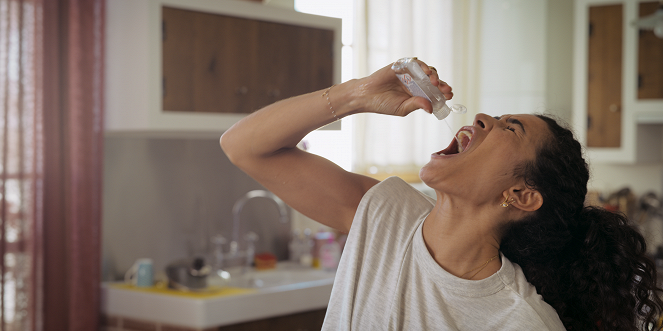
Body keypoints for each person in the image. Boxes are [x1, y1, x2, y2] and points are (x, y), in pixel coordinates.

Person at [220, 59, 663, 330]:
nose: (485, 116)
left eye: (511, 127)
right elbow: (244, 146)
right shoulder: (387, 214)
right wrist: (358, 95)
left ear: (521, 195)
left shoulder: (519, 322)